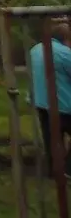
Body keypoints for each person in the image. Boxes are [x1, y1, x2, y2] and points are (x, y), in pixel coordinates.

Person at [30, 21, 71, 177]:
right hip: (64, 105)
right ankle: (67, 168)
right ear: (66, 38)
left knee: (52, 140)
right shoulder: (64, 53)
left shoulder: (36, 49)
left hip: (41, 103)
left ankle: (55, 172)